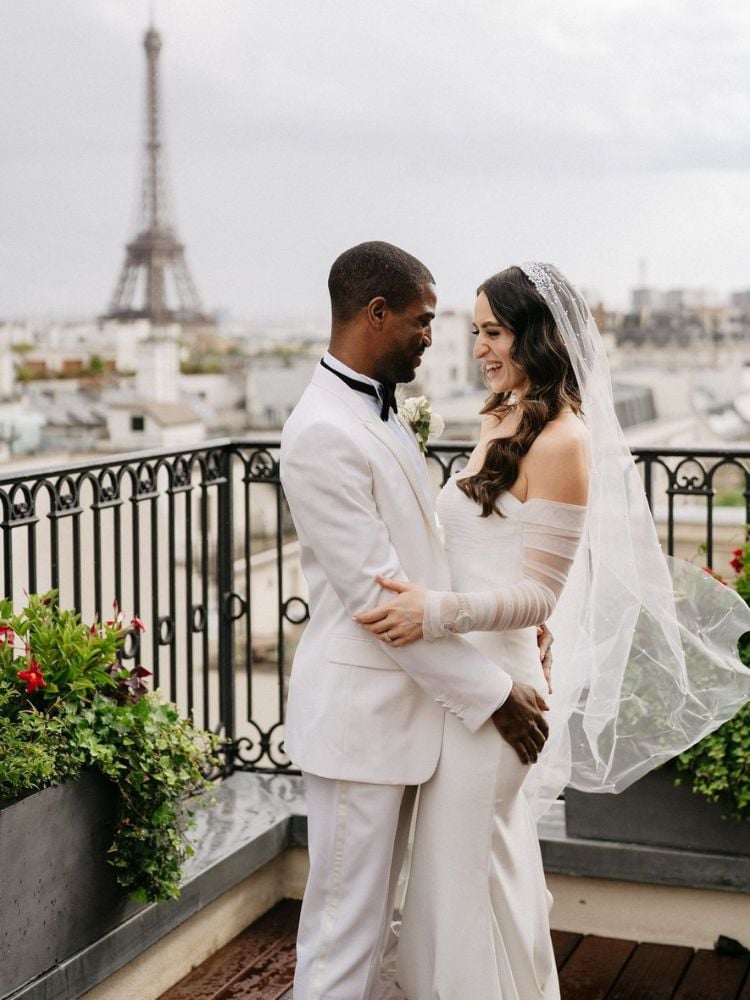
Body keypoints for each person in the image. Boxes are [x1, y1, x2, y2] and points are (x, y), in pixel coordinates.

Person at [355, 262, 750, 1000]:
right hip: (461, 686)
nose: (479, 348)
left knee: (462, 883)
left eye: (494, 332)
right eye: (474, 332)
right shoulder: (498, 414)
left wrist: (431, 611)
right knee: (470, 880)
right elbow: (478, 553)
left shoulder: (564, 440)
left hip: (500, 699)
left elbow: (539, 592)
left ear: (537, 336)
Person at [280, 243, 551, 1000]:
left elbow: (430, 561)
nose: (436, 339)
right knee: (342, 940)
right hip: (361, 724)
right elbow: (380, 604)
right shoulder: (323, 432)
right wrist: (494, 692)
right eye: (423, 321)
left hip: (402, 720)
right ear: (375, 314)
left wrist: (517, 628)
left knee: (369, 937)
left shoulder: (377, 409)